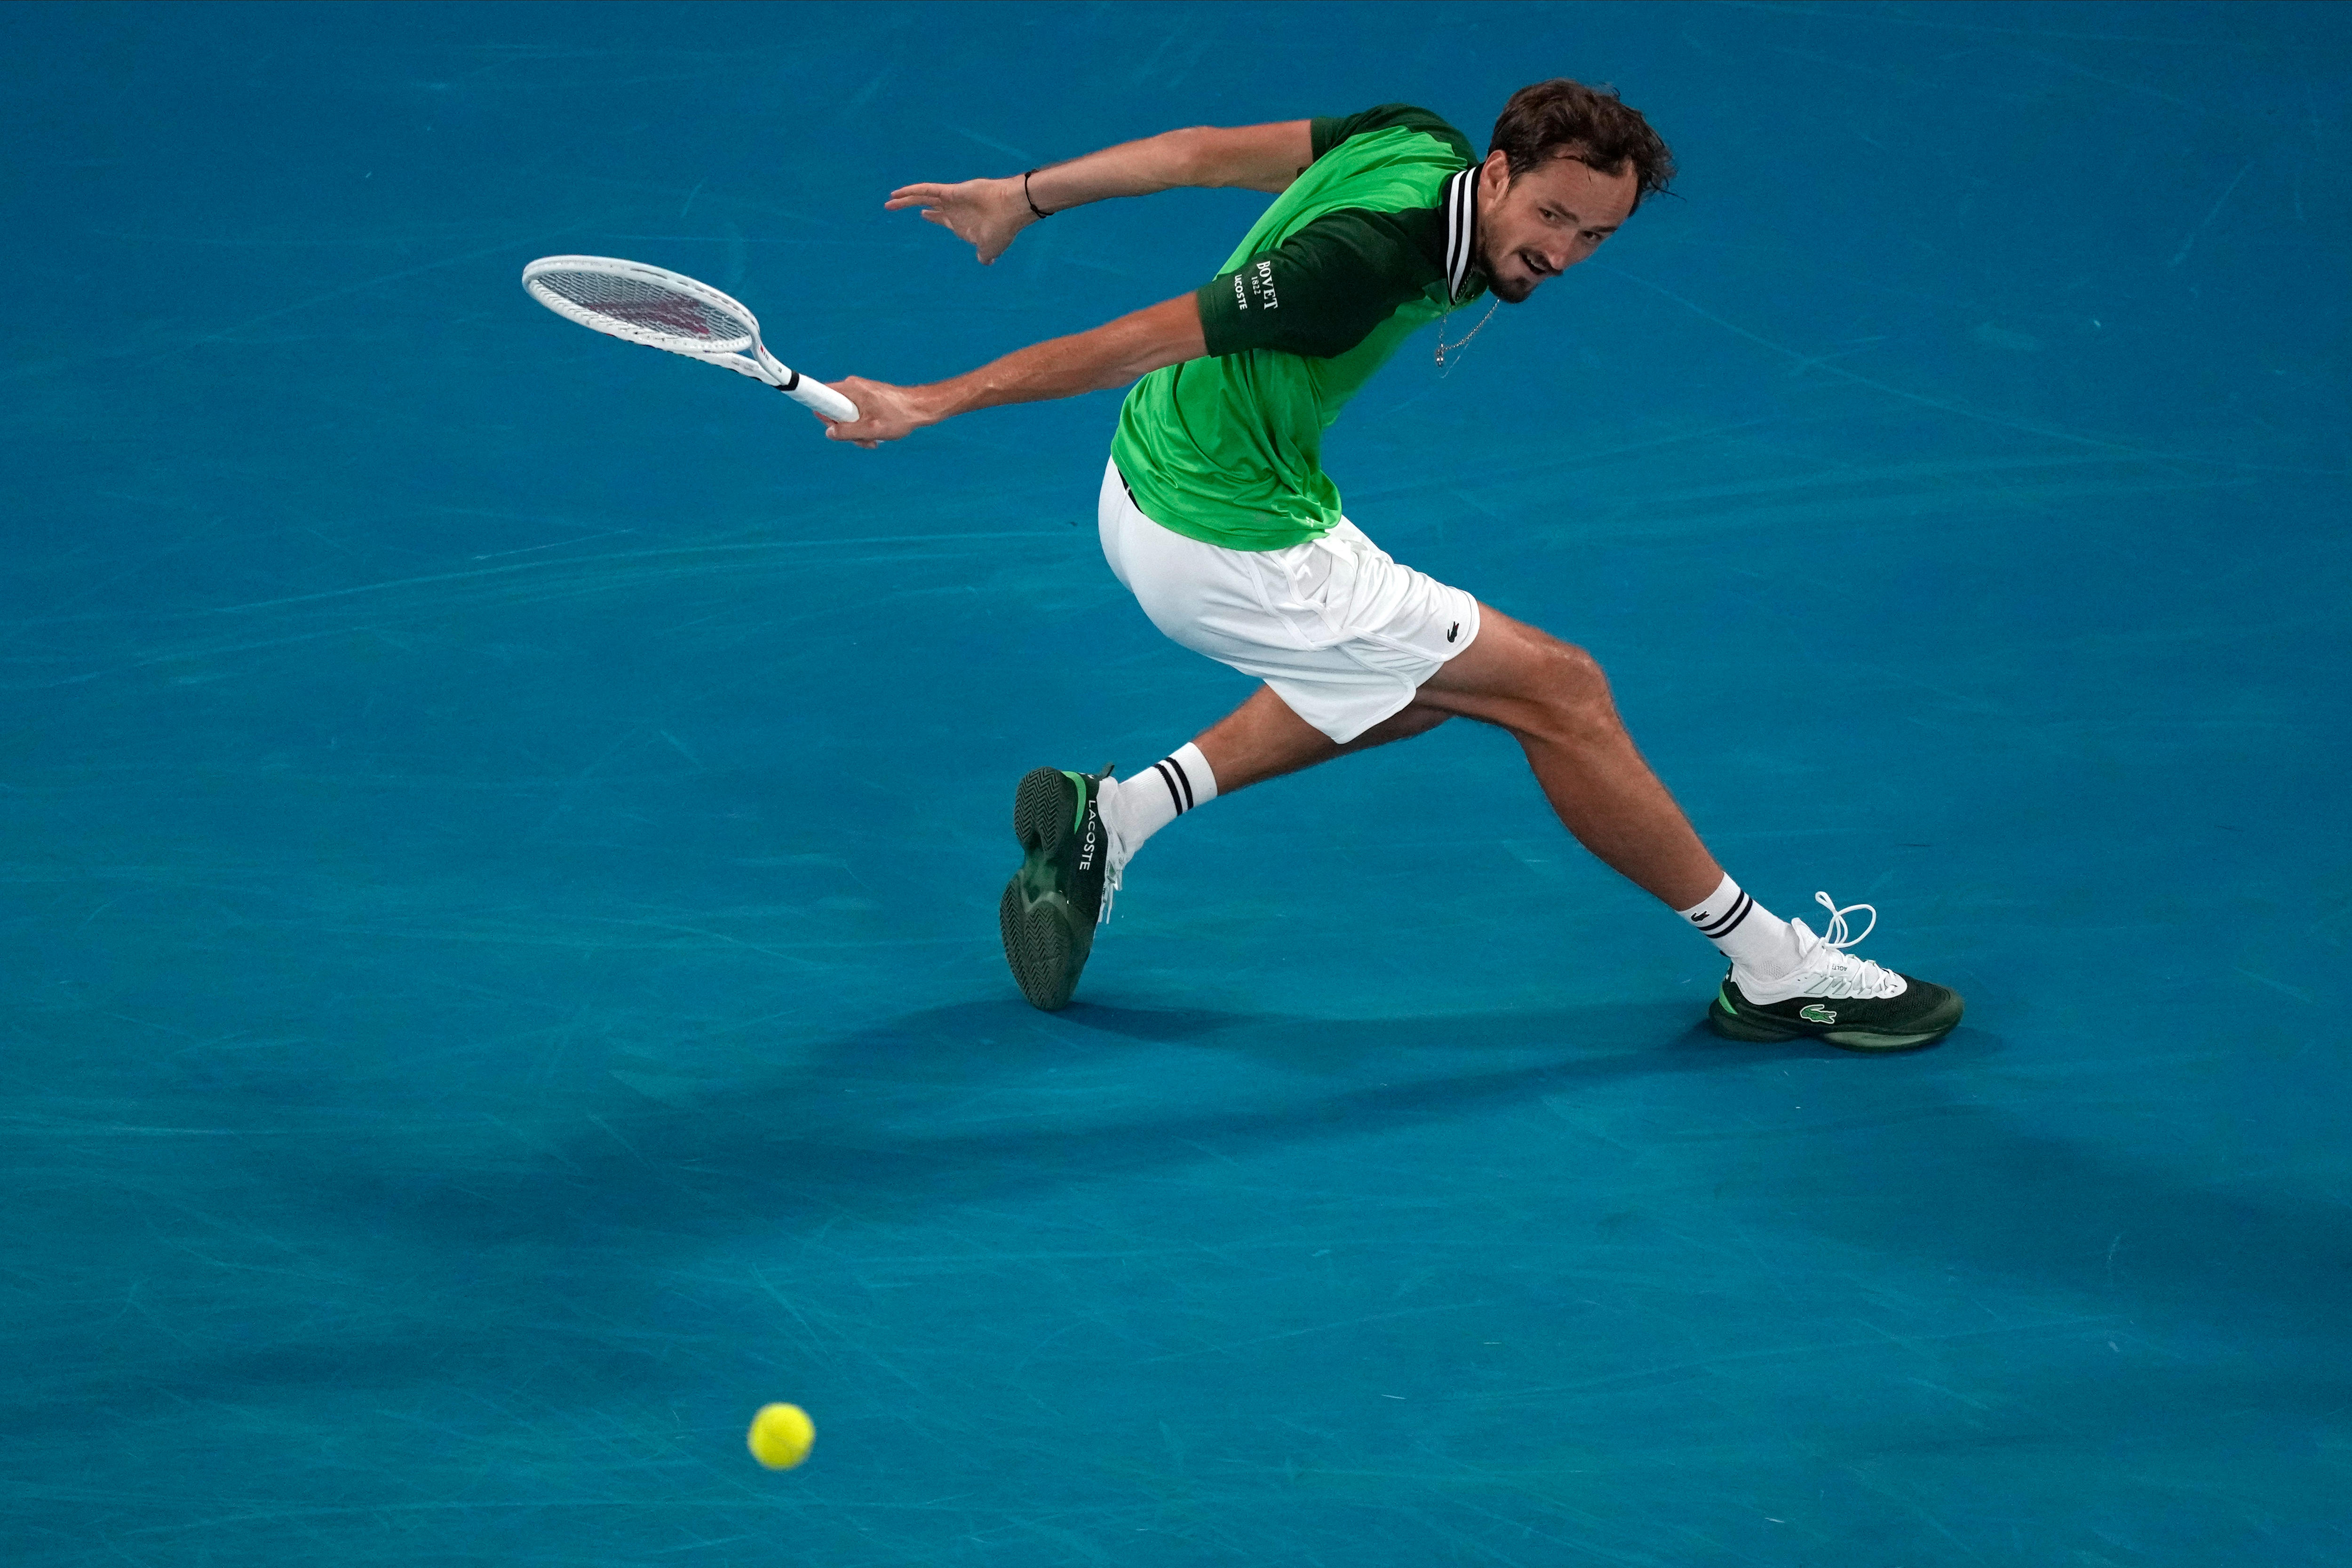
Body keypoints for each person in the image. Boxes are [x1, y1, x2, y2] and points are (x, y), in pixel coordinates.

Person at [821, 81, 1963, 1051]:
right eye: (1554, 216)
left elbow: (1201, 155)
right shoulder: (1365, 260)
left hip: (1163, 475)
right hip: (1225, 539)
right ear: (1502, 170)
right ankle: (1770, 965)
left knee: (1414, 696)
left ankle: (1110, 818)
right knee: (1561, 693)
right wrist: (930, 400)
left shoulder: (1413, 140)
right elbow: (1141, 334)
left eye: (1596, 238)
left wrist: (1020, 196)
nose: (1562, 255)